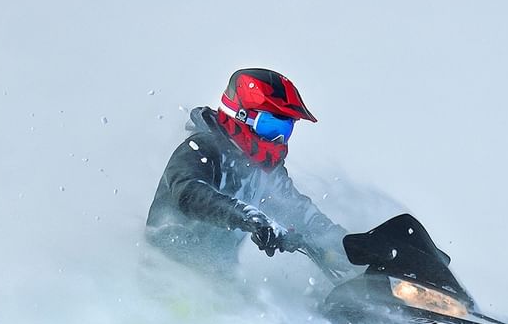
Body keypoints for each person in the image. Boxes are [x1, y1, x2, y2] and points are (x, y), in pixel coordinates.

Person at [147, 68, 353, 279]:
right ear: (240, 116)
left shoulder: (263, 171)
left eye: (285, 129)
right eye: (270, 126)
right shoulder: (200, 149)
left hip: (219, 283)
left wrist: (349, 244)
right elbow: (189, 192)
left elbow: (299, 210)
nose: (277, 139)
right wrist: (250, 218)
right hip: (167, 278)